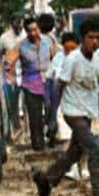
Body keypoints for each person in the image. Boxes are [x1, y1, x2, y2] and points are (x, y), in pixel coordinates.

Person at [31, 18, 99, 196]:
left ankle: (47, 180)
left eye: (97, 38)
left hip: (89, 111)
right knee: (94, 149)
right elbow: (59, 87)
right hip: (72, 111)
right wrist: (53, 115)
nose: (94, 42)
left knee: (74, 153)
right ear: (82, 39)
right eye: (90, 37)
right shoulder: (72, 59)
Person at [18, 15, 53, 150]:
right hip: (30, 84)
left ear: (39, 28)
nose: (33, 33)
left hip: (48, 82)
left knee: (51, 112)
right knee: (35, 116)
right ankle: (37, 145)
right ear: (26, 32)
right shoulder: (22, 46)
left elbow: (55, 57)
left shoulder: (49, 42)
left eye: (35, 29)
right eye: (29, 31)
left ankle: (51, 137)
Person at [0, 13, 24, 132]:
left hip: (25, 75)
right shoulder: (4, 38)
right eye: (16, 23)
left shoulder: (26, 35)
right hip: (10, 76)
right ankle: (15, 129)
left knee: (26, 104)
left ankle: (26, 131)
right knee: (12, 104)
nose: (19, 26)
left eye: (21, 23)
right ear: (11, 24)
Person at [39, 13, 60, 146]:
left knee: (48, 106)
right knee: (51, 106)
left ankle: (49, 129)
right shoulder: (51, 38)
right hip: (47, 77)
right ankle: (50, 129)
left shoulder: (41, 38)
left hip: (44, 77)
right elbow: (54, 55)